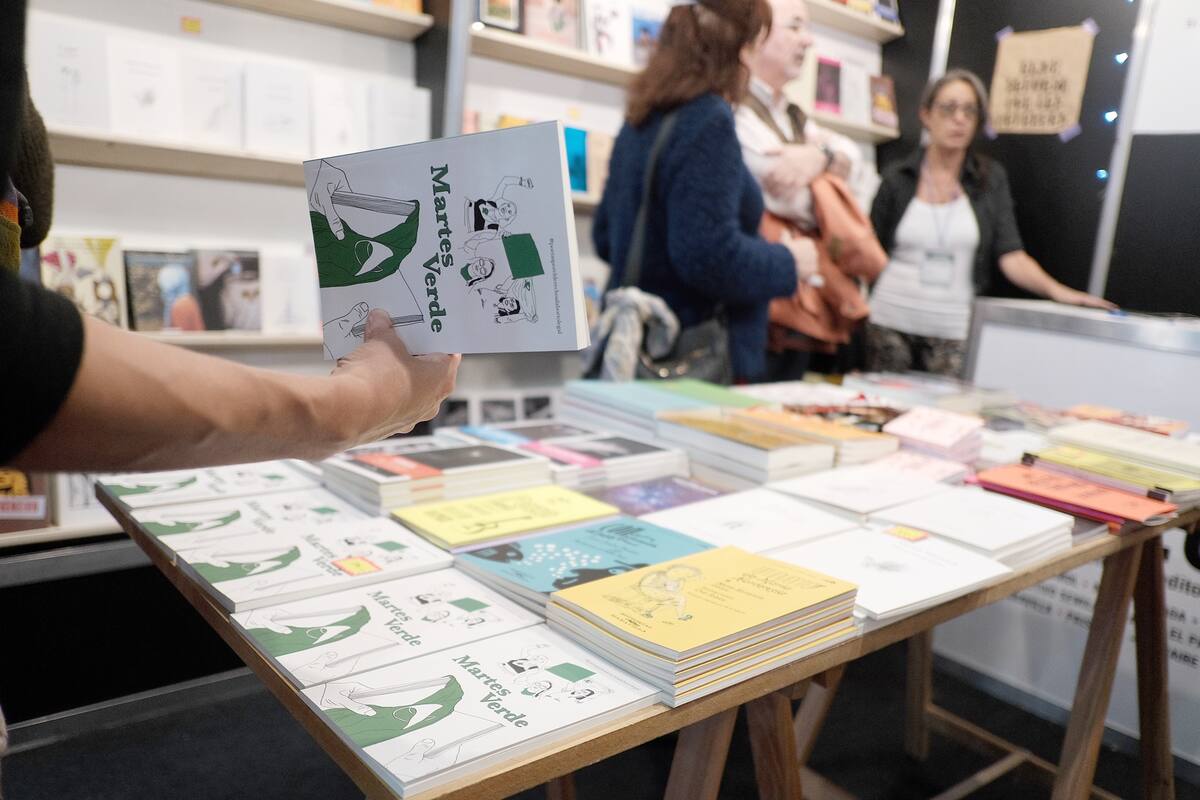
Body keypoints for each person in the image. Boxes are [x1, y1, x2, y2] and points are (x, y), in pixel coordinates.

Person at [591, 0, 820, 383]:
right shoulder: (709, 121)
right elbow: (708, 258)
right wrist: (789, 261)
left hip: (632, 348)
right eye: (754, 44)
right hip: (689, 355)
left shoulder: (640, 121)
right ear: (738, 49)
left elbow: (604, 237)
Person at [867, 69, 1114, 377]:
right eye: (948, 108)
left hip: (953, 330)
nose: (959, 119)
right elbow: (867, 249)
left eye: (969, 111)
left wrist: (1060, 293)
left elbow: (1011, 255)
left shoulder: (989, 180)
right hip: (889, 322)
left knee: (944, 420)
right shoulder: (896, 178)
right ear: (926, 115)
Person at [736, 0, 869, 380]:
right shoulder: (730, 108)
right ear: (756, 34)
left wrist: (818, 158)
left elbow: (852, 161)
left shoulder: (793, 114)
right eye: (794, 27)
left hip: (798, 300)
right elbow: (779, 189)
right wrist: (828, 180)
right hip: (754, 297)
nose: (807, 40)